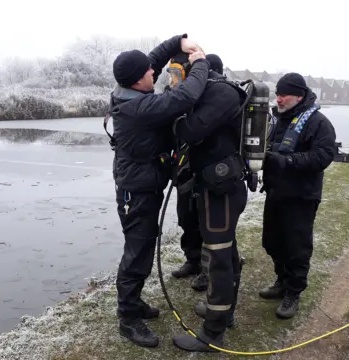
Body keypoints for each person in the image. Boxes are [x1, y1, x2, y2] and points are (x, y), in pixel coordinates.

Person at [108, 34, 210, 348]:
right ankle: (128, 317)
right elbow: (186, 96)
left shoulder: (127, 90)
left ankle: (133, 303)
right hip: (136, 192)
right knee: (137, 252)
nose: (155, 72)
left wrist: (177, 42)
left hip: (143, 184)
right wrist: (200, 63)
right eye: (149, 72)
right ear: (138, 79)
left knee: (142, 247)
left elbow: (150, 60)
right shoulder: (142, 107)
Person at [167, 51, 249, 352]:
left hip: (222, 190)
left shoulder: (222, 93)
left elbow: (190, 130)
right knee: (224, 254)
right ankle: (223, 313)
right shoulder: (207, 92)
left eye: (177, 74)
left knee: (218, 259)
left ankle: (213, 333)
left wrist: (175, 113)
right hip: (214, 186)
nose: (174, 82)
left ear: (194, 71)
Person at [258, 73, 336, 319]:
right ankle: (281, 280)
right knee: (272, 241)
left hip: (302, 196)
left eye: (284, 95)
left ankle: (294, 292)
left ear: (299, 96)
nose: (278, 99)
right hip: (276, 192)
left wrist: (287, 160)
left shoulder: (318, 122)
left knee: (296, 247)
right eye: (277, 94)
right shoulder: (277, 120)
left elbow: (324, 156)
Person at [171, 53, 225, 293]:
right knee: (187, 218)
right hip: (186, 171)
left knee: (210, 225)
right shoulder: (191, 97)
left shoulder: (222, 100)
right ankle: (192, 260)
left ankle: (208, 269)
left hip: (212, 174)